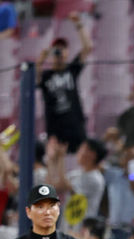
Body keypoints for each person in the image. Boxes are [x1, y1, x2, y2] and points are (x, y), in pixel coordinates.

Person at [37, 12, 93, 153]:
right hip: (55, 127)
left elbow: (87, 48)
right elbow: (33, 78)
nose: (59, 52)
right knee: (56, 160)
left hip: (75, 124)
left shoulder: (71, 70)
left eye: (62, 49)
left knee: (82, 155)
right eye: (56, 50)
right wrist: (41, 59)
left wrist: (79, 25)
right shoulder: (46, 76)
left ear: (67, 52)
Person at [46, 137, 107, 219]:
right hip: (68, 225)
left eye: (82, 149)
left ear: (92, 154)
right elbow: (52, 186)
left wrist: (61, 157)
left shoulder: (95, 178)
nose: (78, 152)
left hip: (81, 228)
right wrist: (51, 160)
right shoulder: (76, 174)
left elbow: (65, 186)